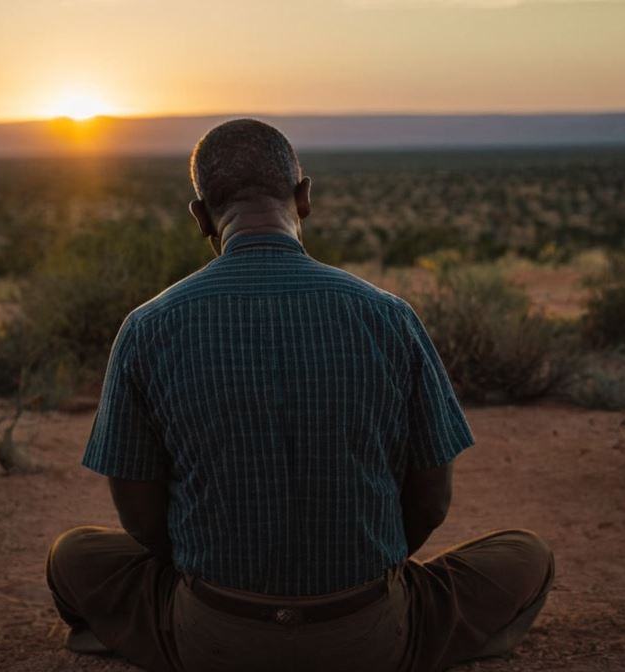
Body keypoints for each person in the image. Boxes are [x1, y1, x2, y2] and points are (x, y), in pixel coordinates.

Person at [46, 118, 554, 672]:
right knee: (527, 557)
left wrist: (216, 573)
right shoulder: (389, 317)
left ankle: (151, 640)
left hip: (211, 633)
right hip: (370, 630)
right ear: (304, 197)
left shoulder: (147, 327)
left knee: (72, 555)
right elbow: (432, 501)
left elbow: (140, 519)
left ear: (200, 218)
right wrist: (363, 570)